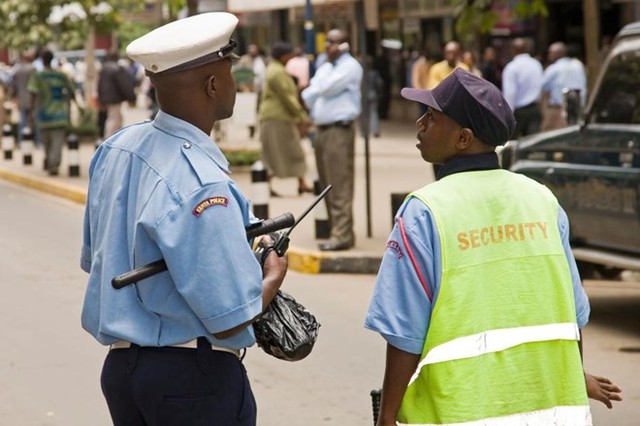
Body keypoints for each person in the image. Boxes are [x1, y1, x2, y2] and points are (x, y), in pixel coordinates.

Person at [364, 68, 623, 425]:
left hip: (462, 412)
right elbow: (569, 315)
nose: (420, 124)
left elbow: (404, 331)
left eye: (432, 117)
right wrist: (576, 375)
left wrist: (387, 417)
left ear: (463, 138)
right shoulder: (542, 200)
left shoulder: (424, 210)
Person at [80, 12, 288, 426]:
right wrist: (271, 278)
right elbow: (232, 318)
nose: (235, 82)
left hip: (123, 373)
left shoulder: (116, 149)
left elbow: (96, 260)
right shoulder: (201, 182)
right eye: (229, 70)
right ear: (213, 85)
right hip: (190, 381)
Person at [302, 28, 363, 251]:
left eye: (335, 42)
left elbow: (324, 89)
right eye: (327, 41)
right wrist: (319, 85)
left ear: (346, 45)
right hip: (322, 131)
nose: (329, 46)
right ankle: (336, 230)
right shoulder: (327, 66)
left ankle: (342, 235)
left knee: (339, 184)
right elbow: (307, 96)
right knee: (327, 184)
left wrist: (318, 87)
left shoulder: (350, 66)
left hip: (340, 130)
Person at [258, 41, 313, 196]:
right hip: (277, 118)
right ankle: (298, 183)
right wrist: (302, 116)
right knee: (290, 151)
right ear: (283, 56)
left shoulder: (275, 69)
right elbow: (287, 97)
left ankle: (301, 182)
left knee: (277, 152)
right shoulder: (277, 72)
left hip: (276, 117)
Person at [26, 50, 76, 176]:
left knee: (47, 142)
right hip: (60, 115)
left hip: (44, 115)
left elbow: (32, 94)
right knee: (57, 142)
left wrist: (31, 113)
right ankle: (53, 163)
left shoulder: (38, 76)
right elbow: (71, 91)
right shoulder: (60, 75)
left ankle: (51, 163)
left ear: (42, 60)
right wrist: (73, 105)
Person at [502, 37, 544, 137]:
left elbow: (510, 93)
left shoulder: (511, 67)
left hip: (518, 113)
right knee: (533, 145)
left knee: (514, 146)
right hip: (535, 109)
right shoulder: (536, 64)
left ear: (513, 50)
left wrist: (507, 116)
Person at [541, 41, 587, 131]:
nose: (548, 55)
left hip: (559, 109)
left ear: (557, 54)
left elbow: (543, 86)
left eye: (550, 52)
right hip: (579, 108)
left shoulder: (554, 68)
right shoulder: (578, 65)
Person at [97, 50, 137, 140]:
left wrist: (100, 99)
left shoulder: (104, 68)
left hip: (106, 98)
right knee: (113, 119)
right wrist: (132, 97)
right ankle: (109, 138)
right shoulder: (117, 69)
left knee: (116, 118)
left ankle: (114, 137)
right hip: (114, 99)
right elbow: (124, 85)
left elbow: (99, 85)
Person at [10, 51, 37, 146]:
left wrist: (15, 97)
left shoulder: (18, 70)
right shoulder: (33, 69)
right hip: (32, 99)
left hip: (21, 98)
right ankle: (38, 143)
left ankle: (21, 142)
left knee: (22, 121)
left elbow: (13, 85)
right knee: (34, 122)